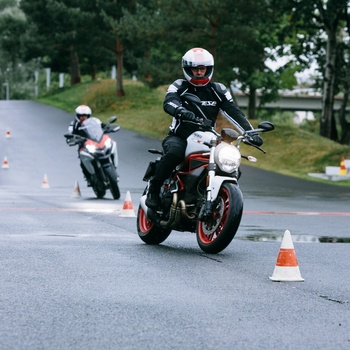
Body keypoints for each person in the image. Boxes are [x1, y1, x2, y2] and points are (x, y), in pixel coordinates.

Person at [145, 47, 263, 210]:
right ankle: (154, 189)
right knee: (174, 154)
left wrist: (249, 132)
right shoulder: (179, 86)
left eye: (202, 69)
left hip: (208, 138)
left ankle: (215, 197)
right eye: (195, 69)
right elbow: (169, 102)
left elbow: (233, 111)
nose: (199, 72)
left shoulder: (218, 90)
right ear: (187, 69)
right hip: (180, 136)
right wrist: (181, 111)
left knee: (229, 163)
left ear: (209, 69)